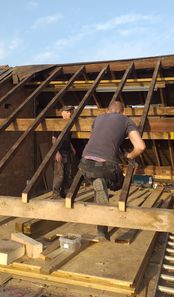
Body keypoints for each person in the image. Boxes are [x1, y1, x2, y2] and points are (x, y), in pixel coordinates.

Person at [79, 100, 146, 240]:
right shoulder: (126, 120)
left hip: (85, 164)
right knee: (117, 183)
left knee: (98, 184)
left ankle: (102, 232)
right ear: (123, 111)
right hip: (106, 166)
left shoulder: (98, 118)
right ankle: (105, 183)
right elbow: (140, 147)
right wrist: (129, 155)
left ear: (108, 110)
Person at [51, 106, 76, 199]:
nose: (70, 113)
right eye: (68, 112)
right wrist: (56, 152)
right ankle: (55, 194)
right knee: (59, 174)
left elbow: (67, 139)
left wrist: (72, 148)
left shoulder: (69, 124)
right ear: (62, 113)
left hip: (67, 151)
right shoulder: (58, 124)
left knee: (67, 174)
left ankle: (64, 192)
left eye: (70, 112)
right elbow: (54, 139)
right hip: (60, 152)